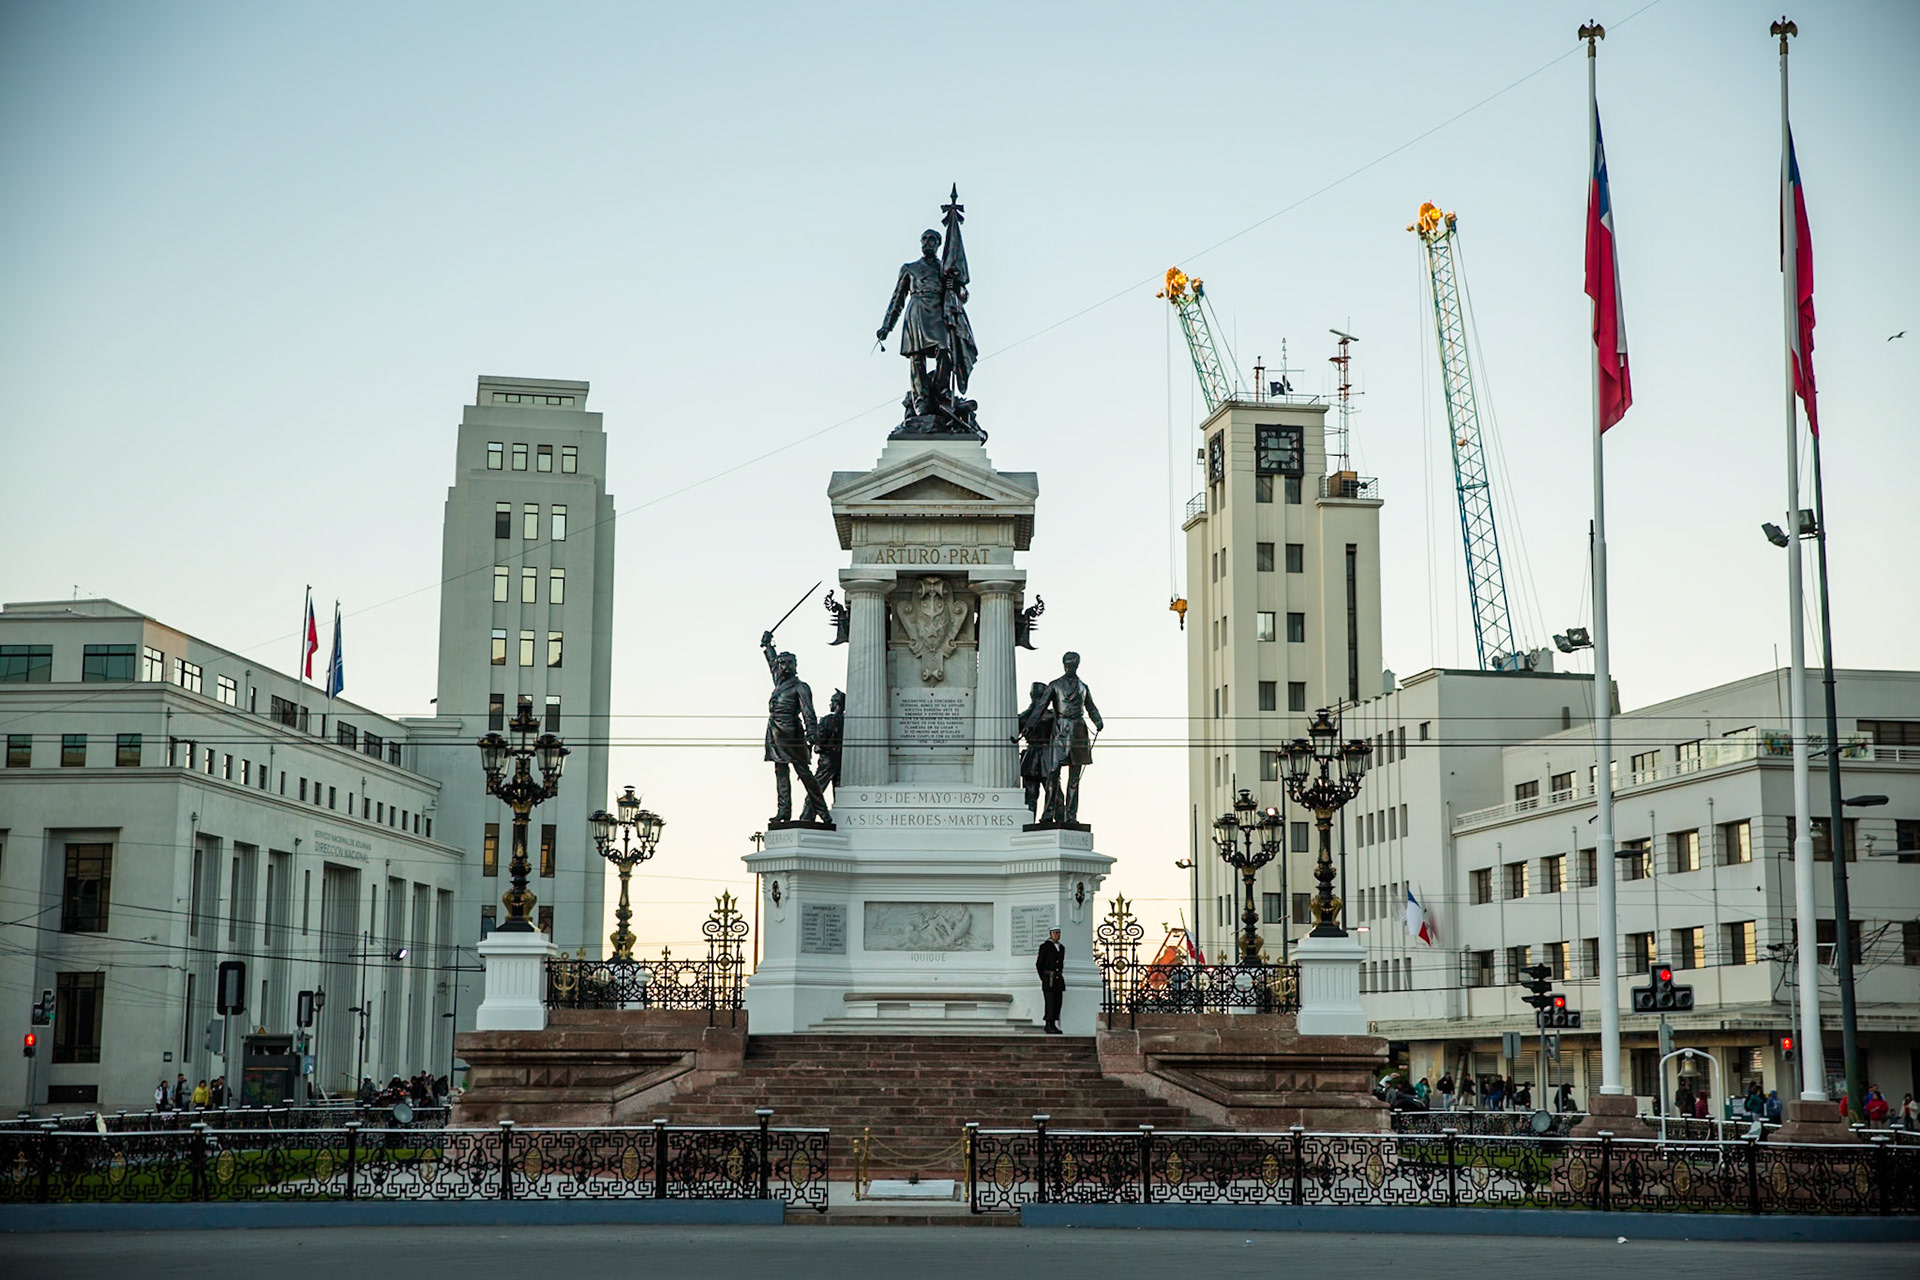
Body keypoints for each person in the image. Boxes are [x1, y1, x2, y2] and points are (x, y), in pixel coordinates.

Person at [761, 631, 828, 825]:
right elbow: (771, 663)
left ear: (795, 666)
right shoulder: (779, 682)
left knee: (804, 774)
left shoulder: (800, 687)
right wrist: (768, 646)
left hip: (792, 733)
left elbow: (809, 713)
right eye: (783, 663)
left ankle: (823, 812)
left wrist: (812, 735)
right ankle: (783, 811)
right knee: (780, 771)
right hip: (774, 732)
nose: (785, 666)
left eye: (790, 663)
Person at [1036, 926, 1066, 1034]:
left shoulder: (1061, 947)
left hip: (1058, 979)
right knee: (1050, 1002)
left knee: (1058, 1002)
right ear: (1051, 934)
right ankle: (1048, 1023)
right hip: (1049, 979)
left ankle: (1054, 1023)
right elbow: (1039, 964)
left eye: (1059, 933)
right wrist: (1044, 977)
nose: (1058, 935)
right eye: (1056, 933)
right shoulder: (1045, 947)